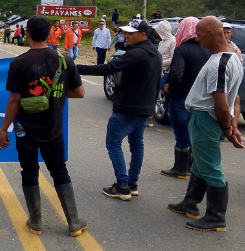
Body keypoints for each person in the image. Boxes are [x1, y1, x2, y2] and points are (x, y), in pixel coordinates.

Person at [0, 16, 87, 237]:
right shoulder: (65, 60)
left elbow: (15, 100)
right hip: (53, 128)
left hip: (24, 129)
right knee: (59, 172)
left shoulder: (18, 63)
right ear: (50, 35)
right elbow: (79, 92)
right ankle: (74, 222)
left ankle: (35, 222)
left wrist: (3, 129)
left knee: (29, 171)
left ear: (26, 34)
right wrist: (54, 94)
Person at [168, 17, 243, 232]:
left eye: (199, 34)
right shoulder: (232, 57)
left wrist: (228, 128)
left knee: (211, 167)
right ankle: (190, 203)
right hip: (207, 118)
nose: (196, 37)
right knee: (200, 164)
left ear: (211, 34)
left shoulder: (219, 64)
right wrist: (231, 124)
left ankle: (215, 217)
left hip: (206, 119)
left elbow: (221, 103)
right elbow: (233, 99)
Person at [77, 19, 162, 200]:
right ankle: (132, 184)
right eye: (125, 32)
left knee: (114, 143)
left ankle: (122, 186)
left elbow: (109, 68)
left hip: (128, 108)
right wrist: (152, 106)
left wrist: (75, 68)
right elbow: (156, 82)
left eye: (130, 33)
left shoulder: (137, 54)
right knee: (137, 145)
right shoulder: (155, 53)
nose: (126, 35)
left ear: (143, 35)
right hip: (144, 109)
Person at [161, 17, 211, 178]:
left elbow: (177, 73)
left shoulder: (182, 49)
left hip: (181, 96)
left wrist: (170, 86)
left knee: (181, 131)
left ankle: (181, 167)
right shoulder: (207, 50)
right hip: (199, 98)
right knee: (193, 132)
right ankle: (191, 165)